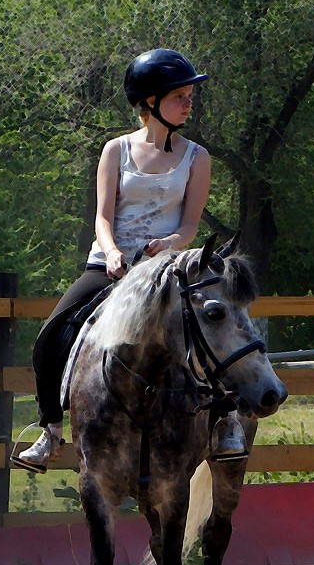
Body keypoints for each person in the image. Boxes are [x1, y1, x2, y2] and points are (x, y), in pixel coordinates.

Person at [11, 48, 215, 473]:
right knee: (50, 336)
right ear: (151, 102)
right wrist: (113, 252)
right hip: (110, 264)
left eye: (188, 95)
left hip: (166, 268)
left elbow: (190, 226)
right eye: (180, 95)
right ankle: (50, 431)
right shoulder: (114, 150)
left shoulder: (197, 157)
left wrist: (169, 243)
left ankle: (227, 421)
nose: (189, 102)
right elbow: (103, 217)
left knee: (217, 324)